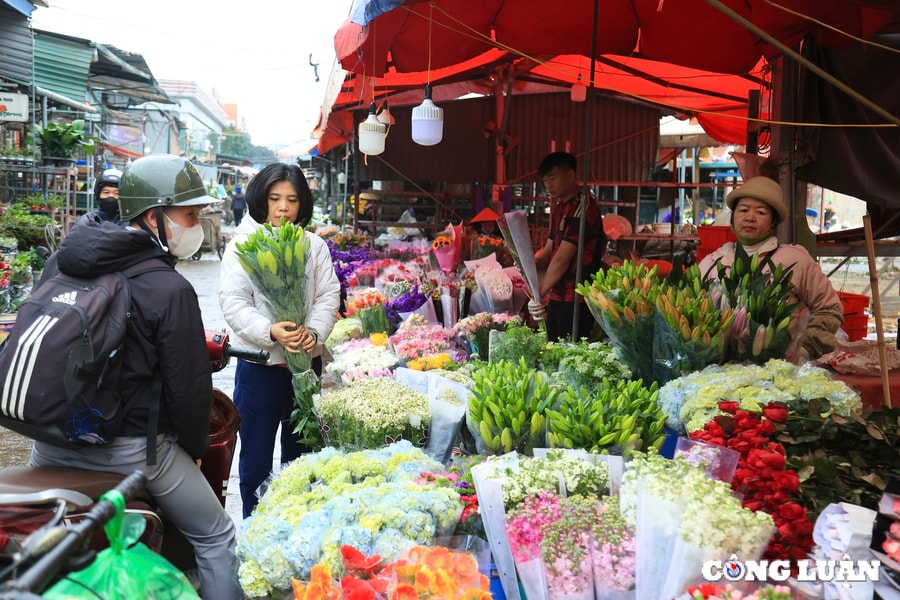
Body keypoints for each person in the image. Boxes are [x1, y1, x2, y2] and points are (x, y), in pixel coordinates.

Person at [29, 154, 243, 599]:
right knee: (216, 536)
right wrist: (196, 452)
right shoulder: (169, 288)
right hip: (128, 451)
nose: (198, 224)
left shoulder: (62, 263)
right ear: (153, 215)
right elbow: (189, 391)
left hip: (47, 441)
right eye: (190, 214)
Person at [219, 163, 340, 518]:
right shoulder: (243, 247)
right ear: (261, 200)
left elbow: (328, 296)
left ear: (303, 204)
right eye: (275, 199)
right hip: (260, 370)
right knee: (255, 459)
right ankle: (255, 528)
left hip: (305, 369)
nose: (283, 207)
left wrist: (313, 334)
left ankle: (295, 524)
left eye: (291, 199)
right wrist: (270, 331)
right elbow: (234, 302)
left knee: (300, 459)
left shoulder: (314, 246)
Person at [697, 176, 843, 360]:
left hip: (778, 366)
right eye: (743, 210)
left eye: (760, 212)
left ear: (773, 222)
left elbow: (829, 309)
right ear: (733, 217)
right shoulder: (712, 263)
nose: (750, 218)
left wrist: (805, 349)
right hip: (719, 369)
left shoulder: (794, 259)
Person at [528, 152, 607, 342]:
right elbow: (548, 251)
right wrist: (525, 261)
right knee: (553, 349)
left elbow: (562, 259)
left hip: (578, 297)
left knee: (569, 353)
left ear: (571, 176)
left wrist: (538, 293)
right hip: (558, 295)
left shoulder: (583, 206)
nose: (548, 185)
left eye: (553, 179)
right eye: (545, 180)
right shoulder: (559, 208)